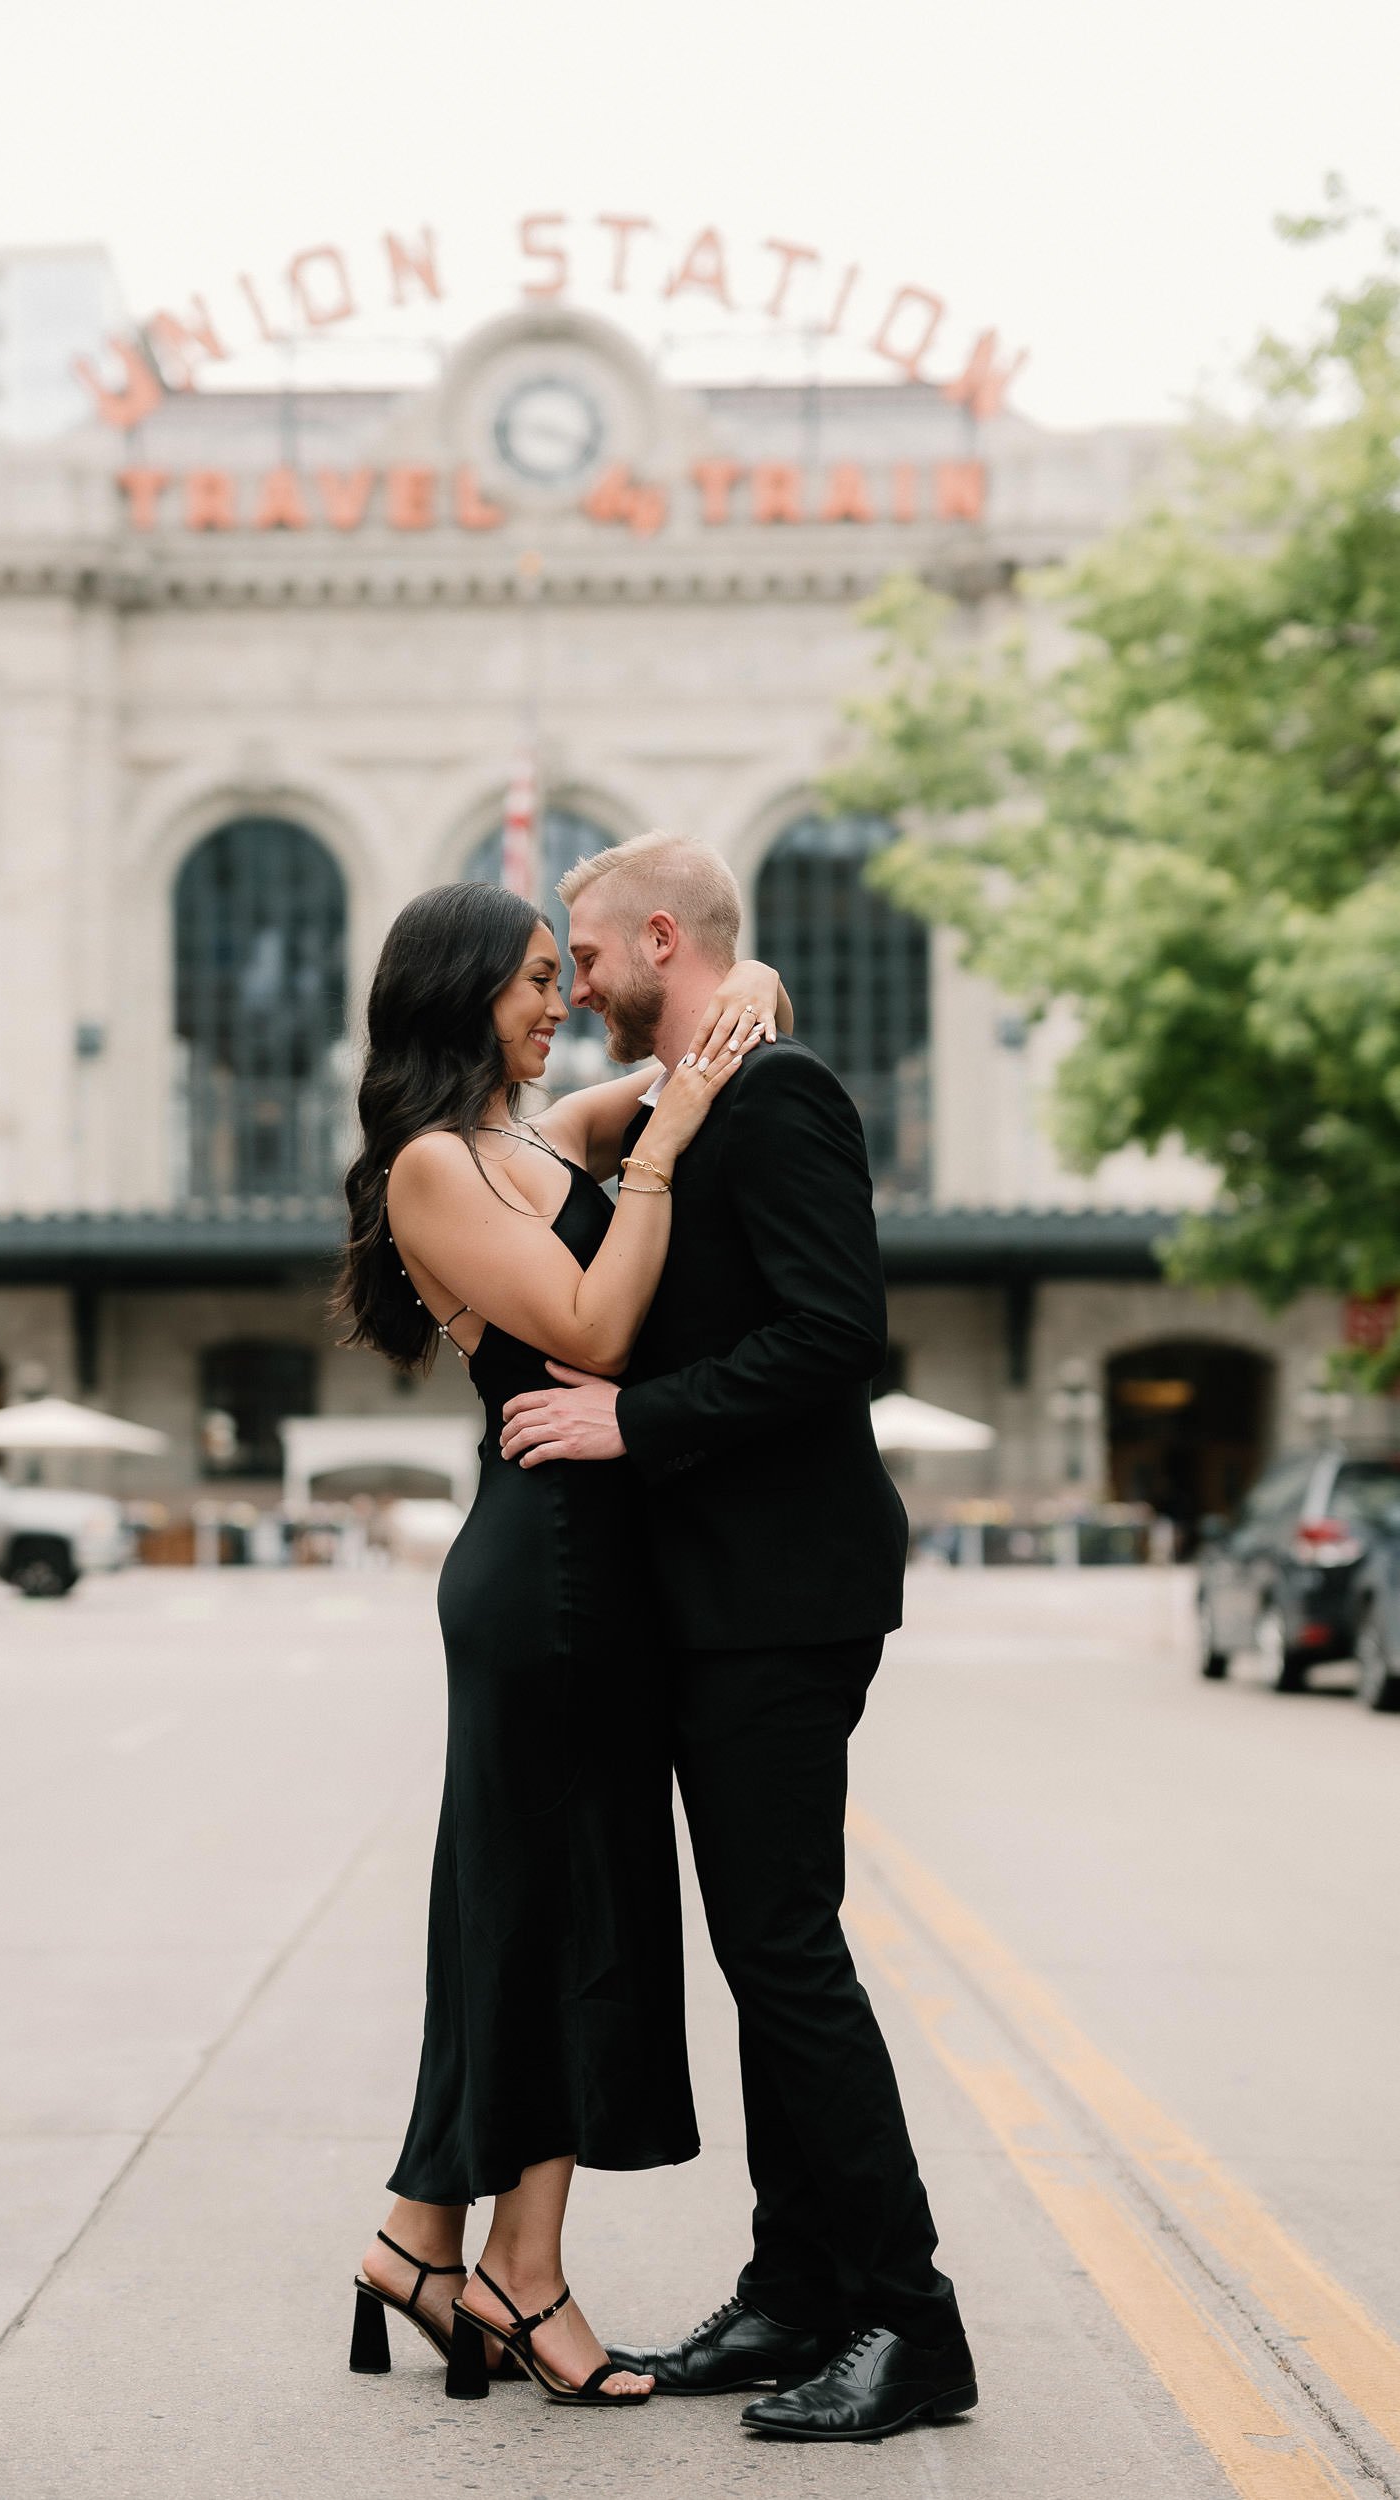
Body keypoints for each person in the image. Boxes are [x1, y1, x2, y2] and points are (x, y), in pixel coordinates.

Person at [497, 832, 978, 2445]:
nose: (573, 986)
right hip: (717, 1600)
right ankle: (795, 2289)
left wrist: (639, 1421)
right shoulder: (693, 1095)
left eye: (586, 951)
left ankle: (913, 2326)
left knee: (785, 1951)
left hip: (786, 1592)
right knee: (763, 1952)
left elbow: (836, 1334)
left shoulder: (783, 1099)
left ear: (655, 937)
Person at [334, 878, 789, 2411]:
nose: (558, 1003)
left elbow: (687, 1060)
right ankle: (519, 2277)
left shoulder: (536, 1136)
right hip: (540, 1578)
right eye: (534, 981)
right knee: (550, 1916)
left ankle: (421, 2236)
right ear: (460, 991)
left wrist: (752, 983)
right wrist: (658, 1143)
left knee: (547, 1907)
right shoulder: (434, 1168)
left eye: (560, 974)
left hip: (605, 1572)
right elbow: (588, 1329)